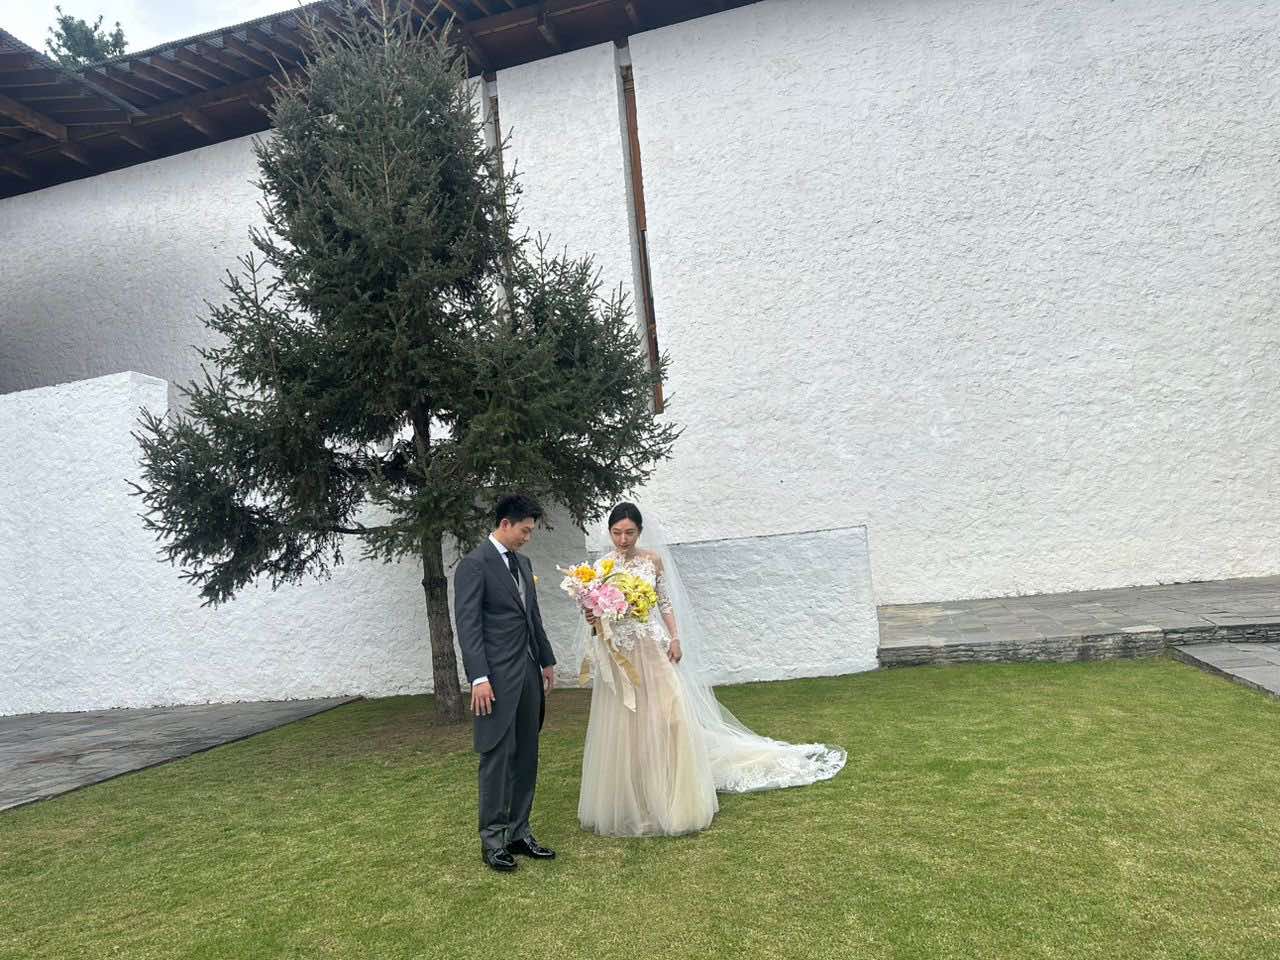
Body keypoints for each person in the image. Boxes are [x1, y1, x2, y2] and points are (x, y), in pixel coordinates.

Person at [577, 502, 846, 837]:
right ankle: (638, 800)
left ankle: (677, 795)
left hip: (653, 647)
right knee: (629, 724)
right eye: (617, 532)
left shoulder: (652, 561)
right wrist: (592, 616)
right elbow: (596, 611)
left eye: (629, 532)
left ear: (640, 532)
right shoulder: (601, 567)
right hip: (624, 655)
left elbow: (665, 602)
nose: (623, 538)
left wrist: (675, 636)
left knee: (672, 716)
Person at [453, 494, 558, 871]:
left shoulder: (524, 563)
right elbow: (468, 627)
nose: (528, 537)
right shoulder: (474, 565)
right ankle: (492, 840)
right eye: (525, 530)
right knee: (496, 757)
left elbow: (533, 618)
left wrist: (546, 661)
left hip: (529, 674)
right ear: (505, 525)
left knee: (527, 754)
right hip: (494, 679)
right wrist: (478, 677)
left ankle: (519, 832)